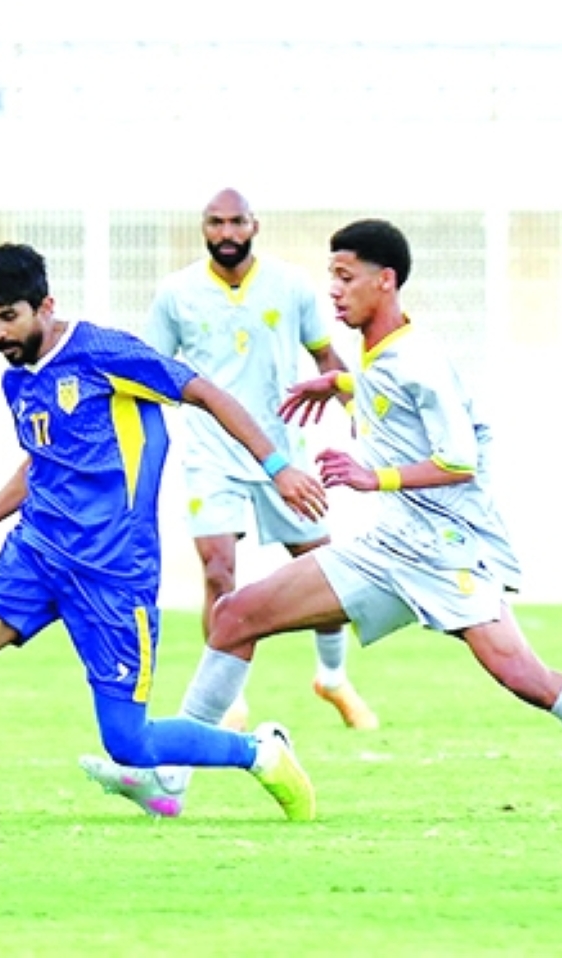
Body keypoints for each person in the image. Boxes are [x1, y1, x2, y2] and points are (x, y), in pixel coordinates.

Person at [81, 219, 562, 823]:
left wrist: (369, 476)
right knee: (236, 615)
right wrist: (344, 388)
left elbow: (460, 460)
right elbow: (391, 401)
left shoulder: (419, 358)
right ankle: (170, 779)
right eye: (330, 275)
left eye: (346, 276)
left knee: (526, 678)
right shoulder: (380, 355)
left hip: (447, 553)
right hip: (387, 547)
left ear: (385, 281)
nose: (333, 289)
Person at [0, 241, 322, 828]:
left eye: (7, 317)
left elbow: (205, 392)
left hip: (111, 576)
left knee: (130, 743)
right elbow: (41, 463)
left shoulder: (104, 353)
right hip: (34, 560)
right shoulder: (17, 381)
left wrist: (279, 468)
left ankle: (261, 753)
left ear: (45, 305)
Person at [142, 187, 378, 732]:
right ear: (203, 228)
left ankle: (332, 677)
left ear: (255, 225)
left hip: (284, 452)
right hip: (210, 453)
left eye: (236, 222)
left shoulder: (290, 285)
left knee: (322, 566)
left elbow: (324, 356)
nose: (226, 234)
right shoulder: (177, 293)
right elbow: (151, 371)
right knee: (219, 571)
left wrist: (361, 415)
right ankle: (227, 701)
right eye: (215, 223)